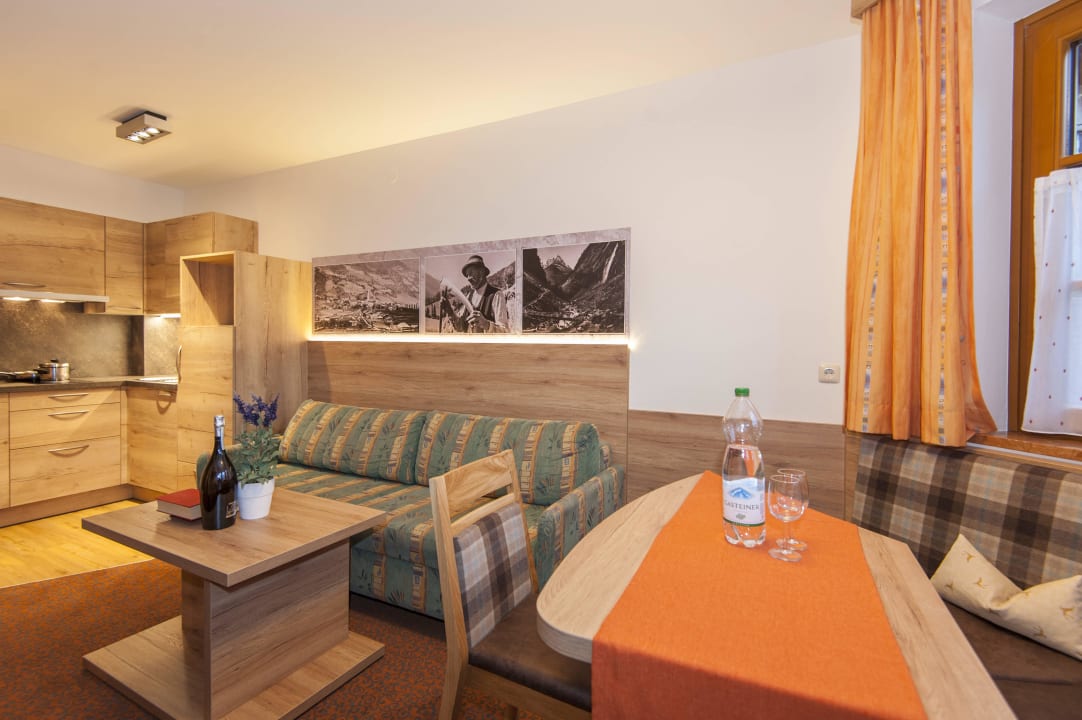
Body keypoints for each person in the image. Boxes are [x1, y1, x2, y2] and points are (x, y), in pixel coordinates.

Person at [444, 254, 512, 333]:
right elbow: (461, 327)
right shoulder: (469, 297)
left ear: (481, 272)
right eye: (467, 275)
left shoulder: (496, 295)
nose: (468, 278)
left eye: (470, 273)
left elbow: (505, 332)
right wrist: (449, 311)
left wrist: (486, 324)